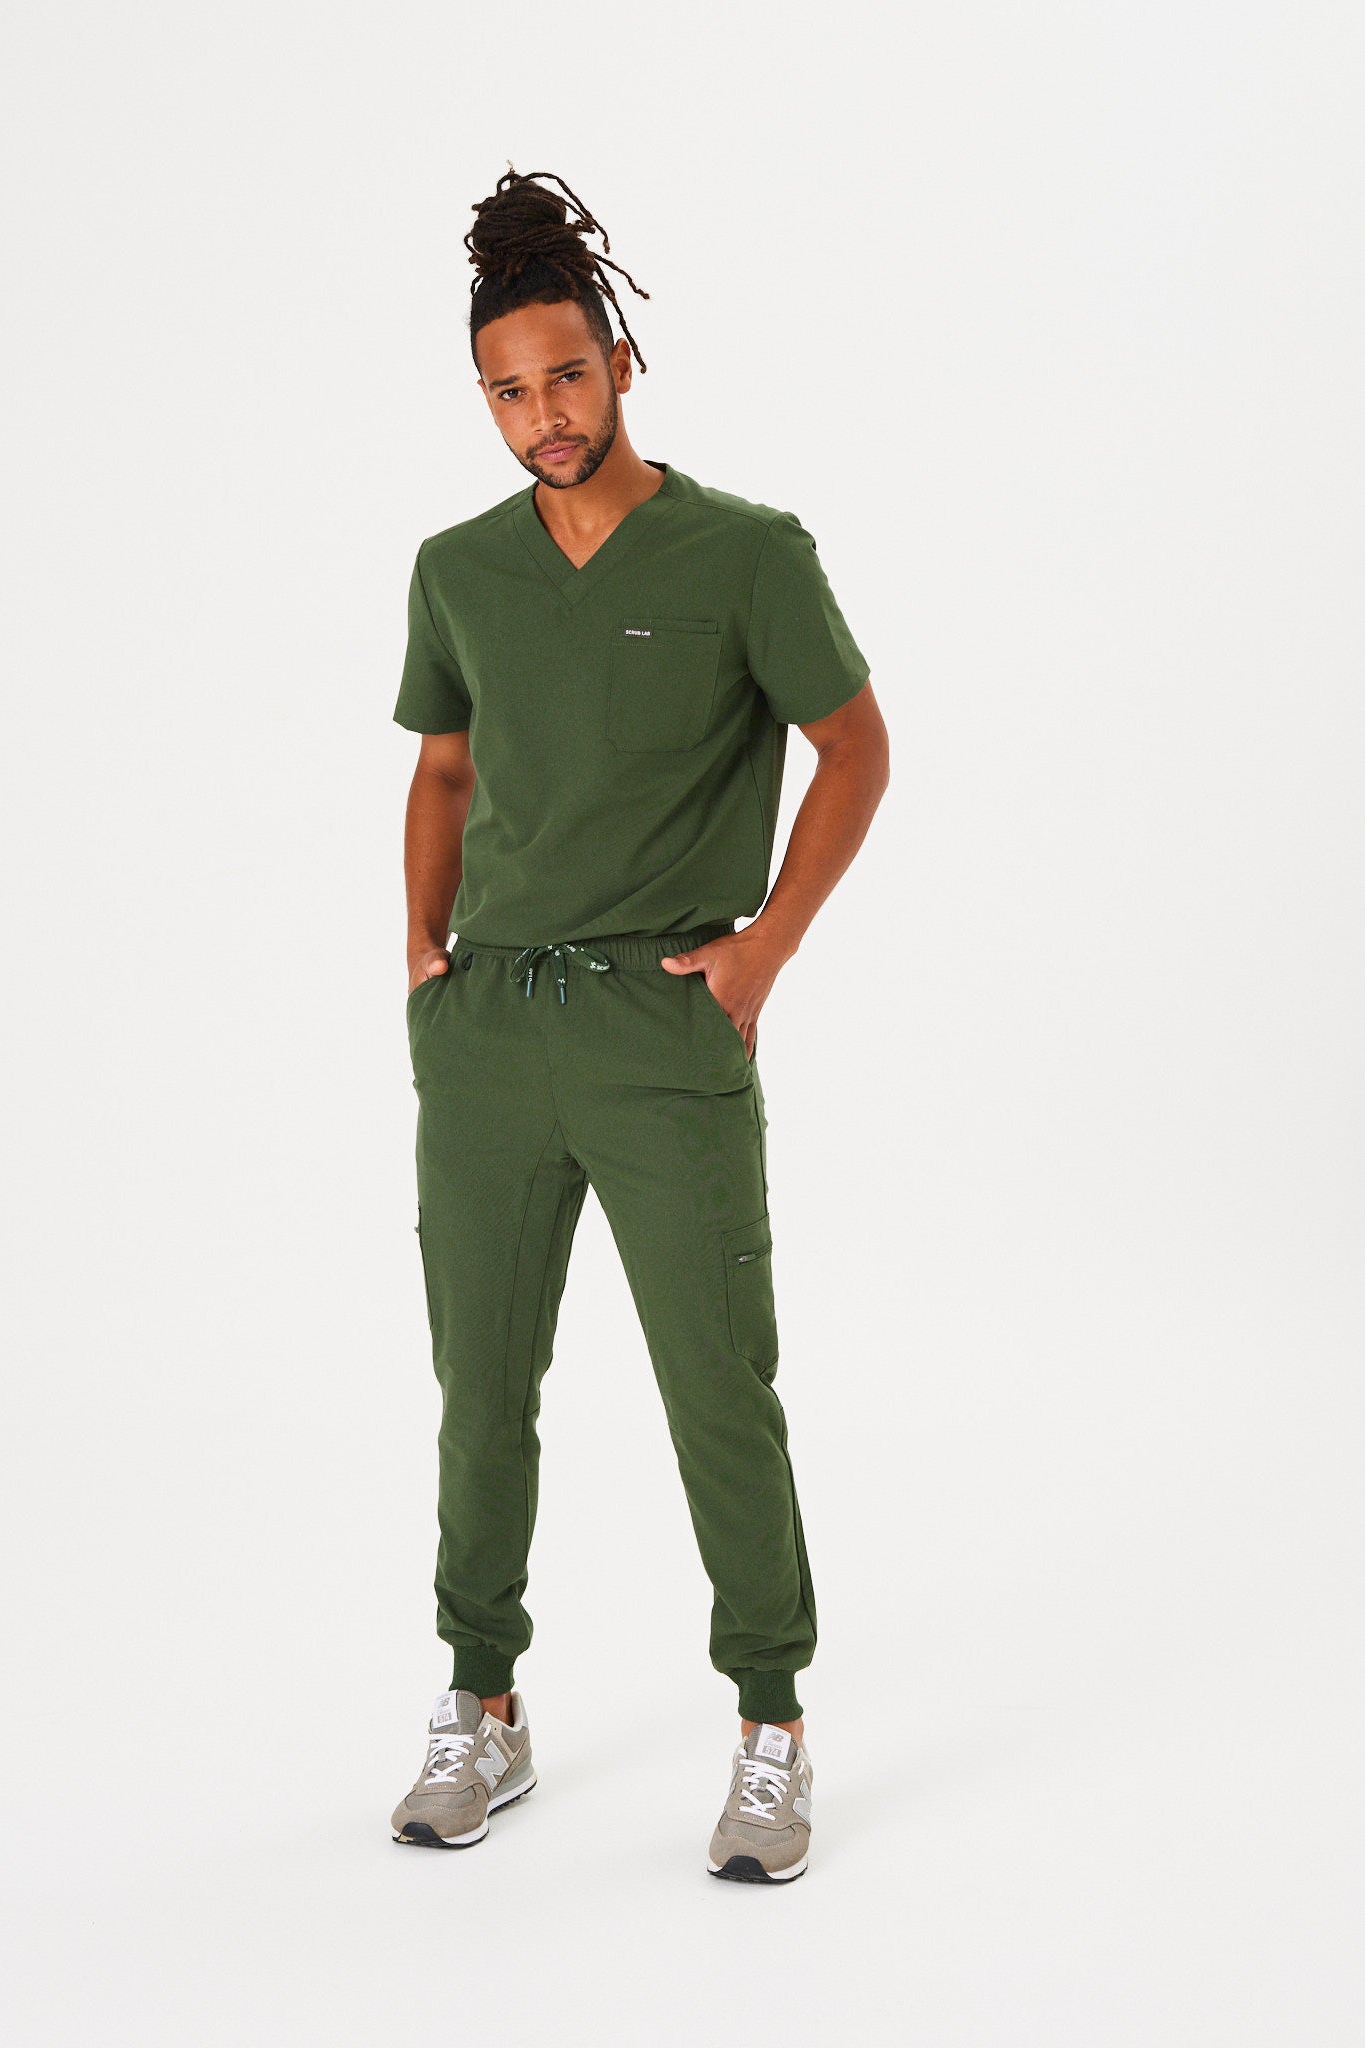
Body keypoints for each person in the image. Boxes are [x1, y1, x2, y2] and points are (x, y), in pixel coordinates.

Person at [388, 166, 890, 1883]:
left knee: (715, 1389)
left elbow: (855, 748)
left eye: (565, 375)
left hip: (663, 1025)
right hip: (489, 1033)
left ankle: (770, 1726)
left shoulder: (746, 555)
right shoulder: (457, 571)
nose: (542, 414)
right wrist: (420, 959)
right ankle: (482, 1702)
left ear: (620, 363)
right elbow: (442, 770)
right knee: (480, 1390)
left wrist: (762, 953)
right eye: (507, 391)